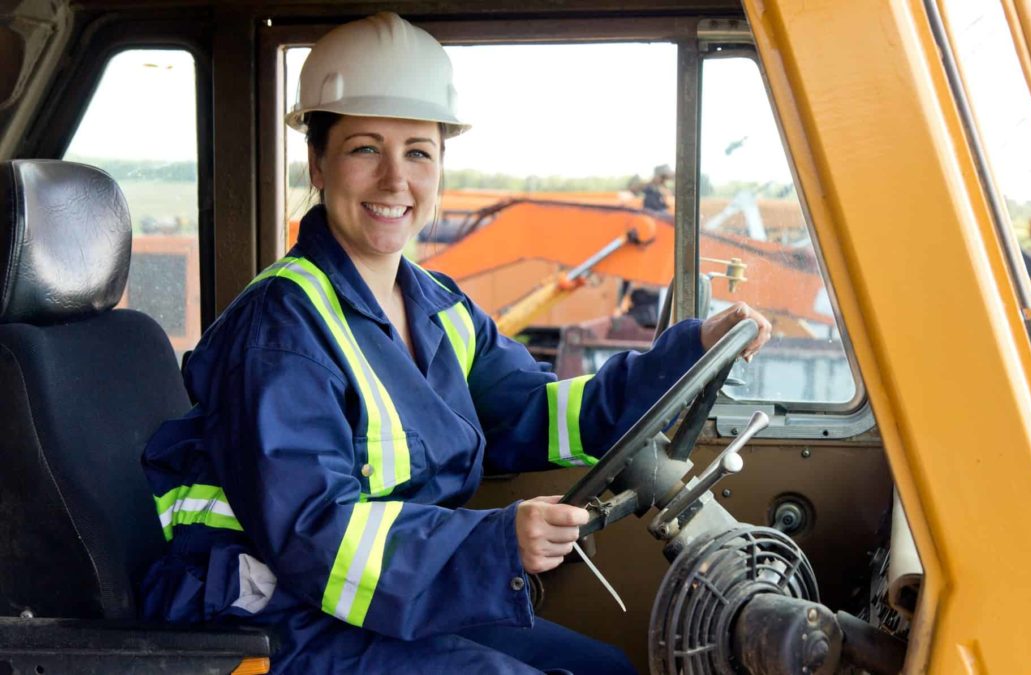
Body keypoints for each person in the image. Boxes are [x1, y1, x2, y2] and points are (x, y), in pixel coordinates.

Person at [139, 13, 771, 674]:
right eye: (364, 149)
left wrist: (689, 350)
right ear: (317, 162)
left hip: (381, 600)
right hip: (273, 616)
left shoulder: (439, 308)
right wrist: (496, 542)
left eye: (417, 151)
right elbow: (313, 534)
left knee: (602, 667)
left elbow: (545, 414)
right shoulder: (279, 330)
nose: (394, 180)